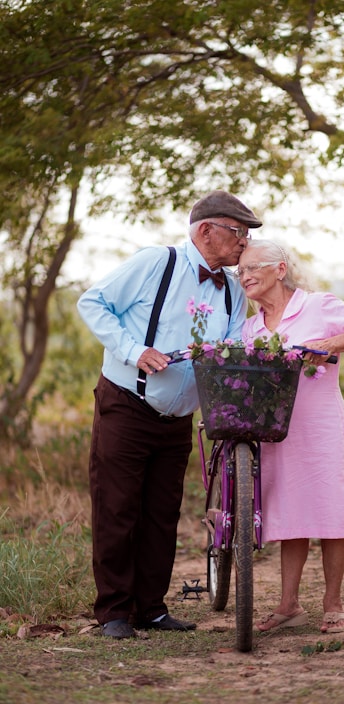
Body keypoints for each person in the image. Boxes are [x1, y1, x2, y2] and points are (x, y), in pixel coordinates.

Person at [77, 191, 262, 639]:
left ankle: (152, 609)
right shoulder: (155, 263)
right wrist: (134, 351)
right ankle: (115, 614)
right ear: (206, 231)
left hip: (179, 419)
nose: (244, 244)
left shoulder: (233, 292)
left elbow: (233, 348)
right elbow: (92, 303)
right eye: (238, 233)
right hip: (127, 404)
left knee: (163, 512)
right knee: (118, 508)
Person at [237, 239, 344, 634]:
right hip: (277, 433)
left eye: (252, 268)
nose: (244, 276)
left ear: (279, 269)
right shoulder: (251, 327)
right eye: (240, 272)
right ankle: (288, 605)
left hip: (320, 427)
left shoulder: (317, 306)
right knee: (291, 514)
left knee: (331, 512)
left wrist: (329, 344)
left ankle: (333, 604)